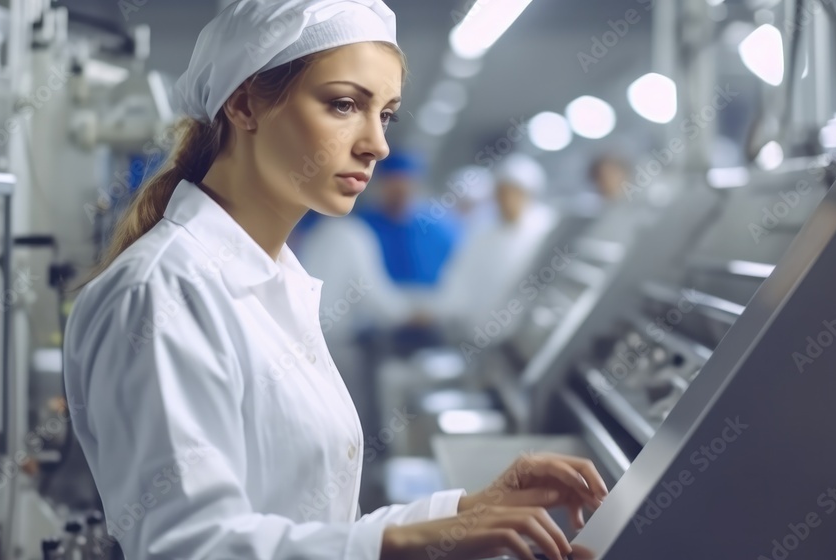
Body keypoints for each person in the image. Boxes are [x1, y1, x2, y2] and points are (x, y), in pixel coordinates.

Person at [62, 2, 604, 559]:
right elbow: (192, 547)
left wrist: (467, 511)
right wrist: (413, 542)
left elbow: (308, 520)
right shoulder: (162, 294)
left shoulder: (273, 282)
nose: (377, 144)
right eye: (344, 104)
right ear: (244, 103)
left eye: (386, 114)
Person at [431, 153, 560, 338]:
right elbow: (460, 275)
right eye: (502, 192)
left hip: (524, 333)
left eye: (515, 192)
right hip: (474, 331)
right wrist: (446, 309)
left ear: (529, 194)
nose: (507, 199)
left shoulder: (545, 228)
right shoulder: (482, 230)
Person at [359, 151, 460, 289]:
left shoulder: (438, 230)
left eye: (407, 183)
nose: (401, 190)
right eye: (394, 183)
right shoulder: (361, 229)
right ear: (380, 184)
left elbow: (455, 274)